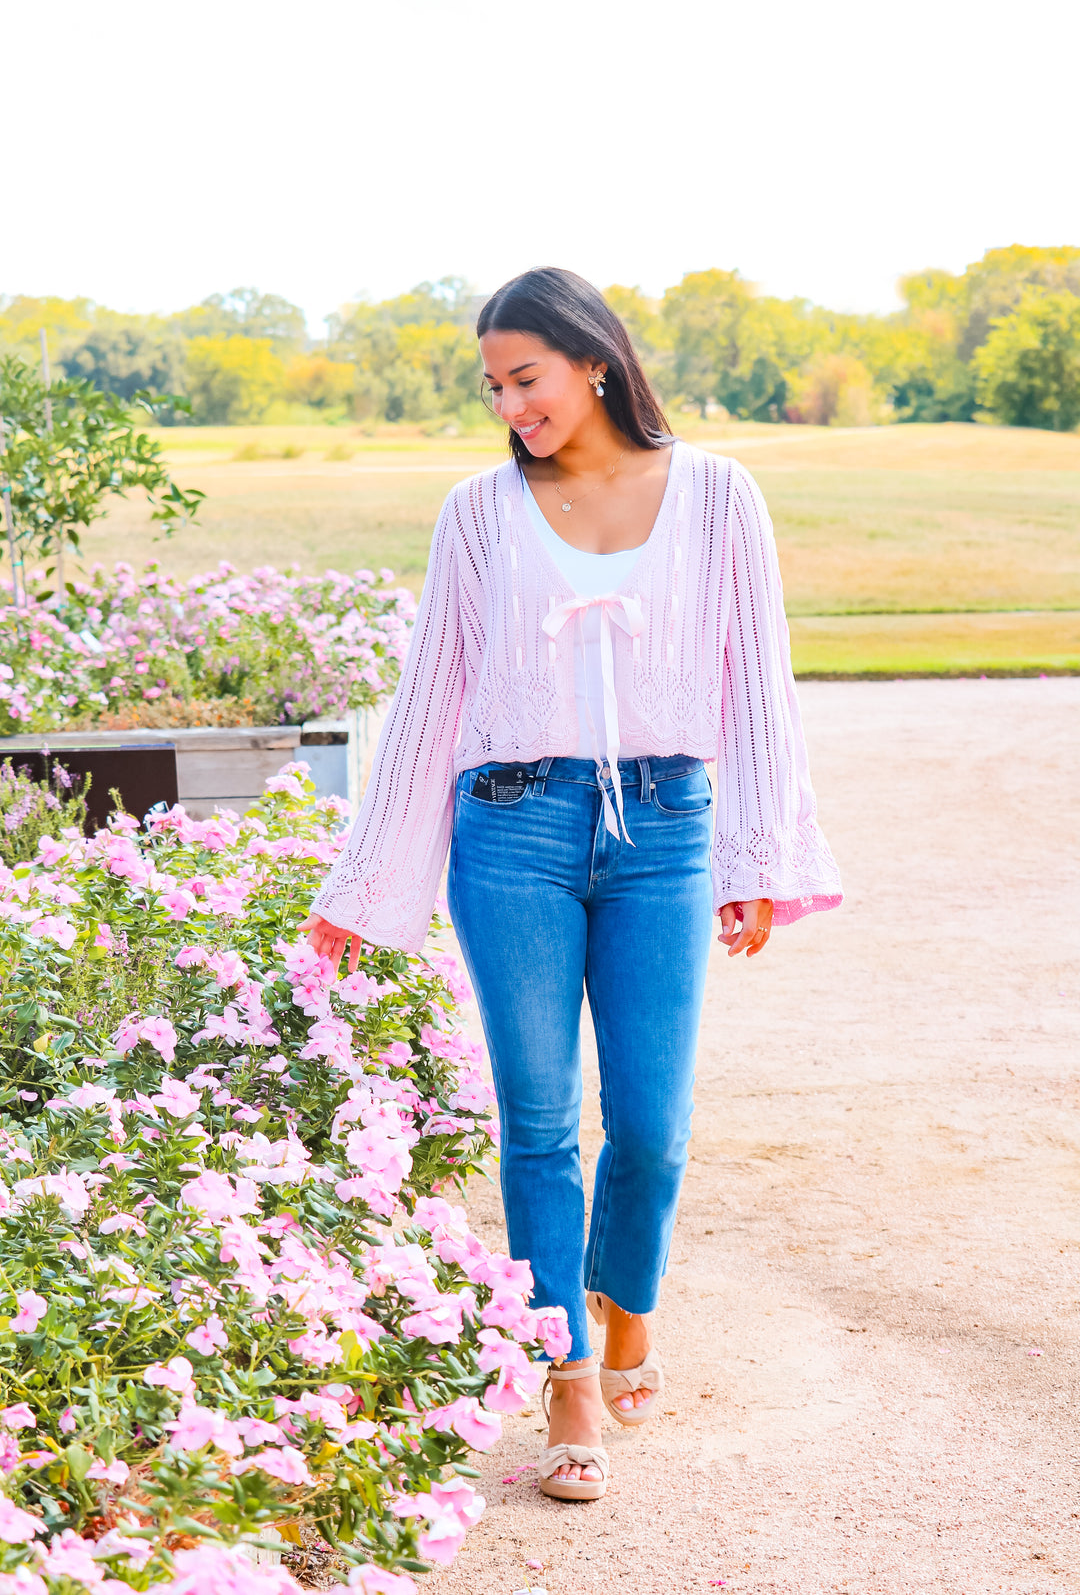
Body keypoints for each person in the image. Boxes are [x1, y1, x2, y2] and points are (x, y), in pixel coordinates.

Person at [301, 267, 842, 1503]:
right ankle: (568, 1376)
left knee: (651, 1125)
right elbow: (431, 696)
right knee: (540, 1124)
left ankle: (627, 1294)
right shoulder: (478, 513)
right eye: (494, 386)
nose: (511, 405)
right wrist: (365, 877)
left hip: (665, 827)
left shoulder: (716, 496)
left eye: (525, 377)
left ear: (593, 360)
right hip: (511, 833)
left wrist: (760, 851)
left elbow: (760, 680)